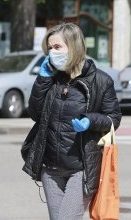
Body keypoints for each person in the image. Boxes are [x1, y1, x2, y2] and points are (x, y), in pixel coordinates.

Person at [22, 23, 121, 219]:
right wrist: (42, 79)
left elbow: (113, 119)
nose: (52, 52)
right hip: (50, 169)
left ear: (73, 47)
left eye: (57, 47)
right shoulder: (51, 78)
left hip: (81, 169)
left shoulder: (101, 81)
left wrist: (90, 121)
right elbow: (35, 114)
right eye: (49, 48)